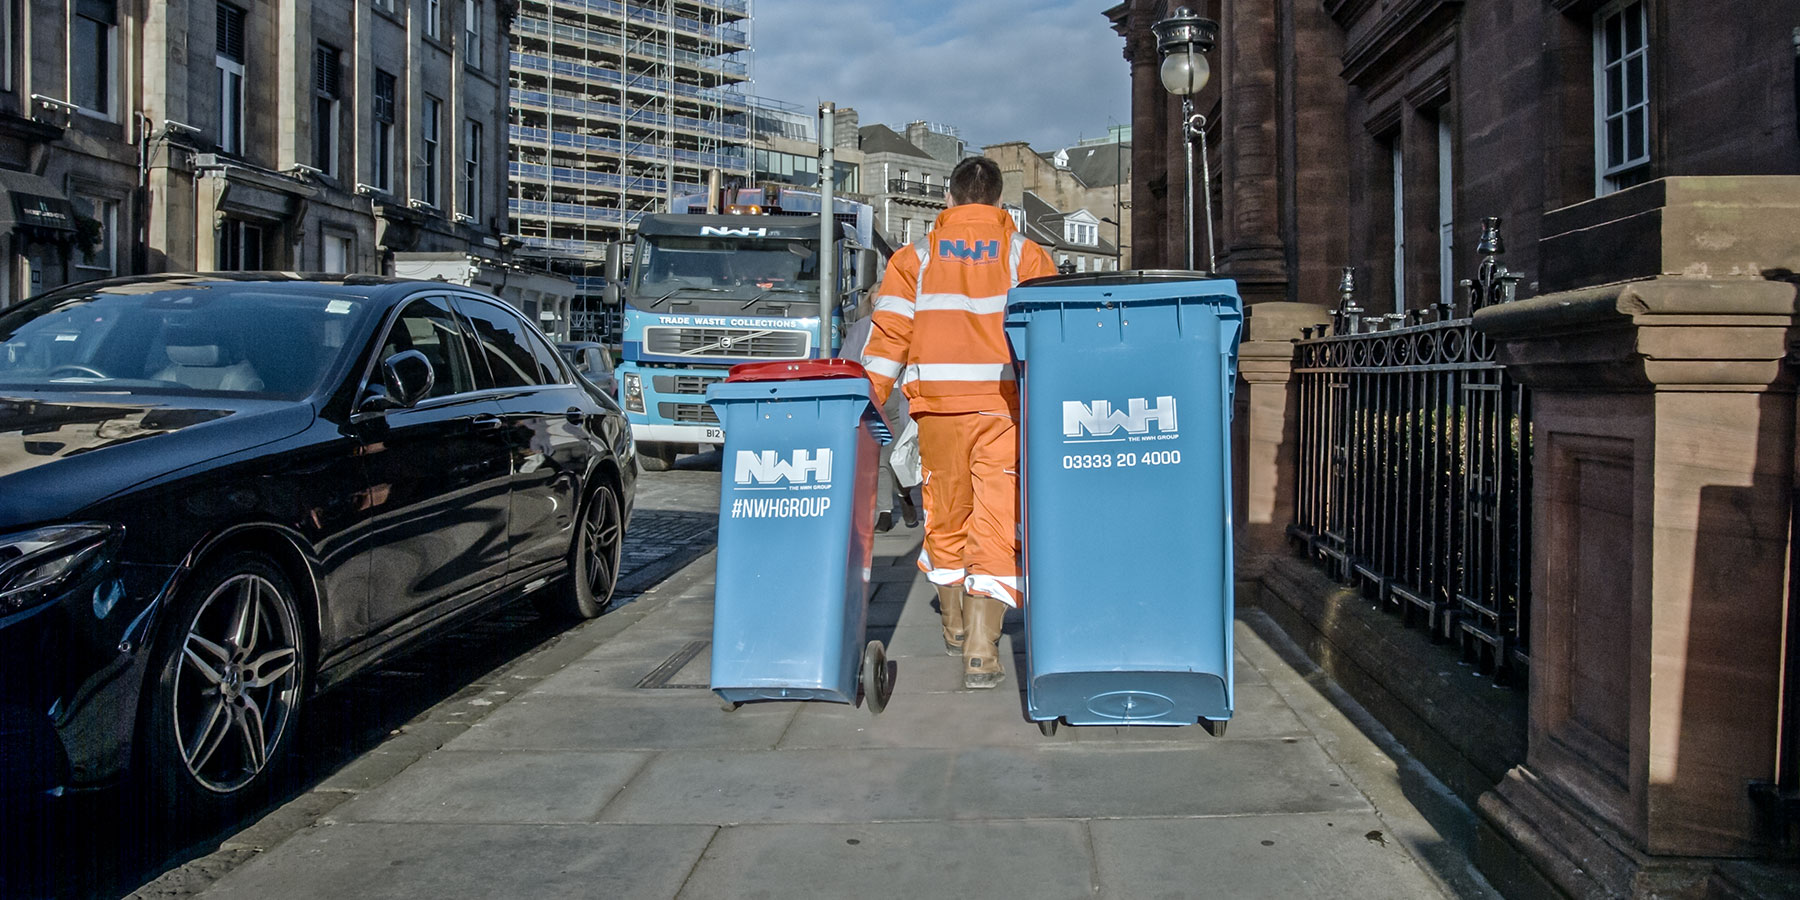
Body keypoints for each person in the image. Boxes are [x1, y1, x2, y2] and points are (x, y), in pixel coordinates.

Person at [860, 156, 1055, 689]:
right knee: (997, 518)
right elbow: (1051, 338)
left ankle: (952, 623)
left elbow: (889, 340)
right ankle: (981, 650)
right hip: (1004, 408)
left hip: (938, 409)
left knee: (947, 515)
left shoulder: (913, 257)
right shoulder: (1026, 255)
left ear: (947, 199)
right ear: (998, 202)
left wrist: (865, 403)